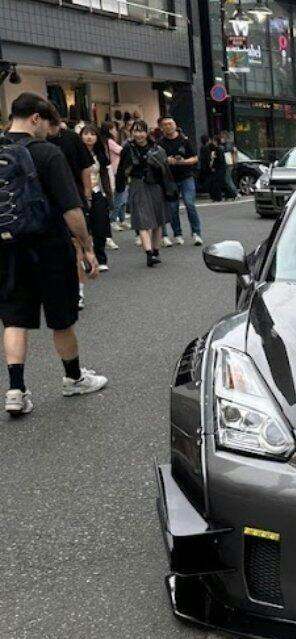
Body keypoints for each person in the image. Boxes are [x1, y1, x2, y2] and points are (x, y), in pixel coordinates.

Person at [1, 92, 107, 415]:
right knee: (62, 317)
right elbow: (72, 210)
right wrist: (87, 247)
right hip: (50, 247)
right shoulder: (47, 153)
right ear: (36, 118)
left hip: (8, 248)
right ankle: (73, 378)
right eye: (48, 125)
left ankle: (16, 390)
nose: (49, 132)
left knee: (14, 320)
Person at [119, 119, 168, 268]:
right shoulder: (127, 148)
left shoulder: (156, 148)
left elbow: (164, 169)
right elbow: (121, 170)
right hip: (137, 184)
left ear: (147, 133)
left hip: (155, 185)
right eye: (135, 131)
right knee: (142, 220)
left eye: (141, 131)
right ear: (131, 132)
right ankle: (148, 253)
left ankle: (156, 250)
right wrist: (120, 187)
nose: (138, 134)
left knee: (157, 220)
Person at [157, 117, 202, 247]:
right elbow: (157, 160)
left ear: (175, 125)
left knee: (190, 203)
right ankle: (177, 233)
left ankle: (196, 233)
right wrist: (167, 161)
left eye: (170, 123)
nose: (168, 126)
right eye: (165, 124)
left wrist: (182, 162)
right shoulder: (160, 143)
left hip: (186, 176)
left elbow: (195, 158)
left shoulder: (184, 140)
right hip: (169, 179)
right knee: (172, 208)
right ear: (162, 127)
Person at [79, 124, 116, 272]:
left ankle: (101, 258)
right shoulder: (76, 153)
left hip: (97, 191)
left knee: (100, 226)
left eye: (92, 134)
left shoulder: (100, 154)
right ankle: (85, 258)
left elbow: (105, 175)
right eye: (86, 134)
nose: (89, 137)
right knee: (84, 227)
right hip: (80, 193)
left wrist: (109, 194)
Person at [199, 133, 227, 201]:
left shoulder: (204, 148)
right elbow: (210, 158)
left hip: (211, 168)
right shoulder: (210, 148)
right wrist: (211, 165)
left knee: (215, 183)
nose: (211, 141)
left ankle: (217, 196)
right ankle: (218, 196)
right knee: (215, 183)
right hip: (212, 167)